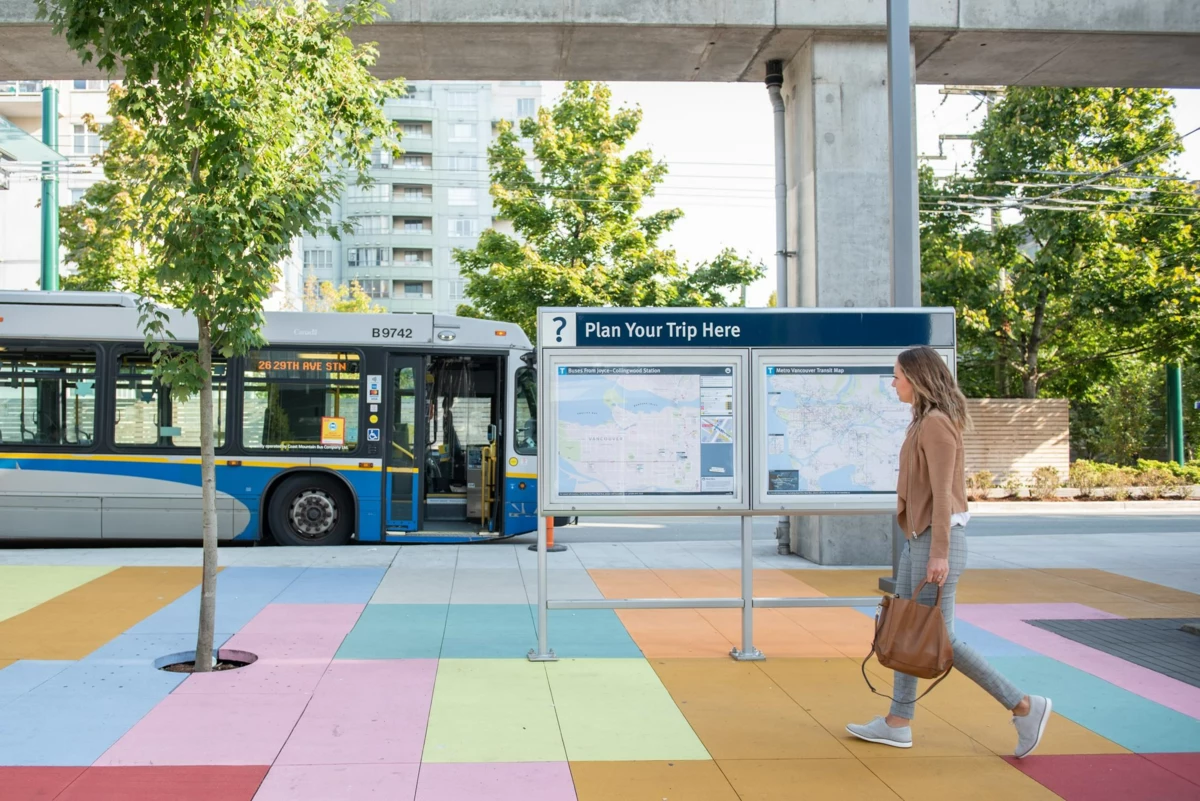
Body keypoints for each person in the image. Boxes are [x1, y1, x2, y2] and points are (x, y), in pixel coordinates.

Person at [847, 346, 1052, 758]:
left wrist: (937, 553)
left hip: (937, 543)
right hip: (921, 541)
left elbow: (943, 495)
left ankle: (1024, 705)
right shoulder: (923, 421)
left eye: (897, 377)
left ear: (918, 379)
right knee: (909, 629)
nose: (893, 384)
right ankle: (898, 723)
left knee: (938, 637)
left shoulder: (937, 424)